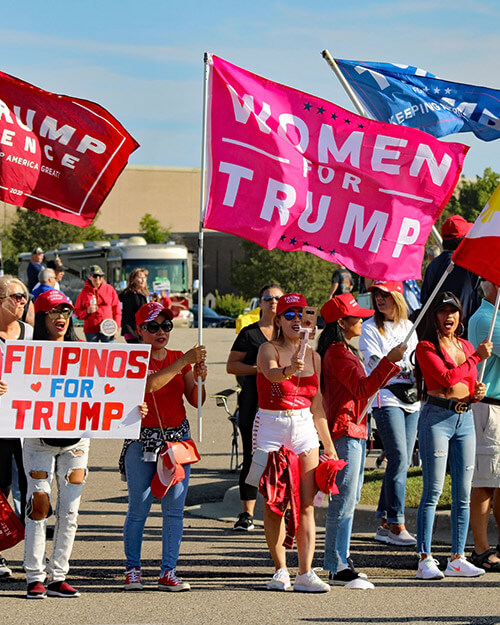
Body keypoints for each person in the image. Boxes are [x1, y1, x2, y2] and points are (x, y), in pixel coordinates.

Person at [318, 294, 406, 588]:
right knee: (343, 502)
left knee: (349, 500)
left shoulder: (342, 351)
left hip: (351, 429)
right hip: (345, 430)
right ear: (341, 323)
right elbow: (362, 388)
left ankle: (341, 559)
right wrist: (389, 362)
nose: (362, 321)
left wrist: (387, 364)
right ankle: (336, 564)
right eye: (356, 317)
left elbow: (361, 389)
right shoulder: (338, 354)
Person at [121, 302, 207, 592]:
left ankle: (168, 571)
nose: (161, 332)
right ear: (140, 330)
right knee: (139, 508)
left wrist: (200, 378)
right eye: (153, 326)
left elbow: (196, 400)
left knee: (174, 510)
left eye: (166, 325)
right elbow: (149, 386)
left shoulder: (177, 358)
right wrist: (183, 363)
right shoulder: (134, 359)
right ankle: (133, 569)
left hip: (177, 441)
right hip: (142, 440)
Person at [255, 293, 337, 593]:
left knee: (306, 504)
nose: (296, 320)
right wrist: (290, 369)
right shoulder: (267, 348)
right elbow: (270, 373)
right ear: (278, 320)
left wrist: (328, 444)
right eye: (289, 315)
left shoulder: (314, 356)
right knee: (273, 503)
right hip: (271, 426)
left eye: (302, 314)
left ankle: (305, 572)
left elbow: (317, 405)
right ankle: (280, 569)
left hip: (303, 427)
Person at [415, 291, 492, 579]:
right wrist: (476, 358)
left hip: (466, 417)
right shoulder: (425, 347)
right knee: (433, 491)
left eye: (453, 311)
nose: (449, 316)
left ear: (460, 315)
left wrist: (477, 392)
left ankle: (457, 557)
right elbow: (445, 378)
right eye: (443, 311)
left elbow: (468, 385)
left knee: (462, 492)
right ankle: (425, 558)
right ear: (434, 316)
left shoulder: (466, 345)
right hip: (437, 417)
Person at [359, 280, 419, 546]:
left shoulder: (409, 327)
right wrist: (394, 359)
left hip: (412, 400)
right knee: (399, 457)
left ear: (398, 296)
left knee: (401, 461)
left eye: (385, 294)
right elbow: (375, 366)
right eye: (377, 295)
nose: (380, 299)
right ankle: (396, 522)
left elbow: (416, 362)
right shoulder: (370, 328)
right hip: (385, 397)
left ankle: (384, 521)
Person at [226, 284, 283, 531]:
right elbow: (231, 365)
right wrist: (259, 369)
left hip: (283, 405)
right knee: (252, 456)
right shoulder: (249, 334)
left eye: (278, 298)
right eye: (268, 298)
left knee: (282, 458)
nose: (273, 301)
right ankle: (247, 513)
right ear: (260, 303)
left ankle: (280, 509)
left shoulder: (289, 333)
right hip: (253, 403)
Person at [0, 276, 32, 579]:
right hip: (0, 429)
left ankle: (34, 553)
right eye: (16, 296)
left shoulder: (32, 335)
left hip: (28, 428)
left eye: (24, 296)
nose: (22, 301)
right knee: (1, 491)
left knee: (34, 490)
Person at [468, 280, 500, 572]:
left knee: (497, 481)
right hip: (489, 407)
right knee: (486, 482)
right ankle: (480, 549)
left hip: (497, 407)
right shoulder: (484, 319)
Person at [421, 215, 480, 335]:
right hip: (463, 333)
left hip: (436, 332)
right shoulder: (469, 266)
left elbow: (424, 298)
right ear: (464, 240)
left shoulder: (433, 265)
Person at [74, 265, 121, 342]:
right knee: (92, 350)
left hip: (108, 328)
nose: (98, 278)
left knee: (108, 349)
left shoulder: (110, 289)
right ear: (89, 277)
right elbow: (77, 312)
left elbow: (117, 310)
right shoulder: (84, 292)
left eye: (100, 276)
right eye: (95, 276)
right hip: (91, 330)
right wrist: (87, 312)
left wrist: (117, 327)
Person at [119, 268, 149, 343]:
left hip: (142, 330)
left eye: (144, 277)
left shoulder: (145, 294)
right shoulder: (129, 295)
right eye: (140, 277)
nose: (143, 280)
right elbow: (130, 314)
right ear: (133, 279)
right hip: (132, 331)